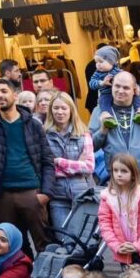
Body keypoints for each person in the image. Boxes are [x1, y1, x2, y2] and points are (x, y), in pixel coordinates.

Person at [0, 79, 54, 250]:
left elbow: (47, 160)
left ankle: (46, 276)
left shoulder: (33, 124)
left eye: (4, 91)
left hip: (31, 192)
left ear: (15, 95)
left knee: (44, 242)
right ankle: (22, 277)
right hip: (3, 194)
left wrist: (46, 193)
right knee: (13, 247)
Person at [91, 72, 140, 189]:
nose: (120, 91)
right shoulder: (99, 112)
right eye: (117, 86)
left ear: (134, 90)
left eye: (126, 88)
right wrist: (102, 131)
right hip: (117, 178)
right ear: (111, 86)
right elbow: (90, 146)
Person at [98, 153, 140, 268]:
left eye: (124, 171)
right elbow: (105, 225)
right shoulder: (107, 197)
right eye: (115, 170)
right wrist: (117, 246)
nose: (119, 174)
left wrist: (138, 246)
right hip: (123, 250)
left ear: (133, 174)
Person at [43, 93, 95, 232]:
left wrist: (59, 162)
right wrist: (77, 165)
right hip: (57, 196)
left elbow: (89, 167)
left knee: (83, 240)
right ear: (51, 110)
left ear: (71, 110)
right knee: (64, 239)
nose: (60, 112)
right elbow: (46, 168)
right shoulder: (44, 135)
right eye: (56, 108)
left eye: (64, 108)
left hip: (83, 196)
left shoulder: (83, 134)